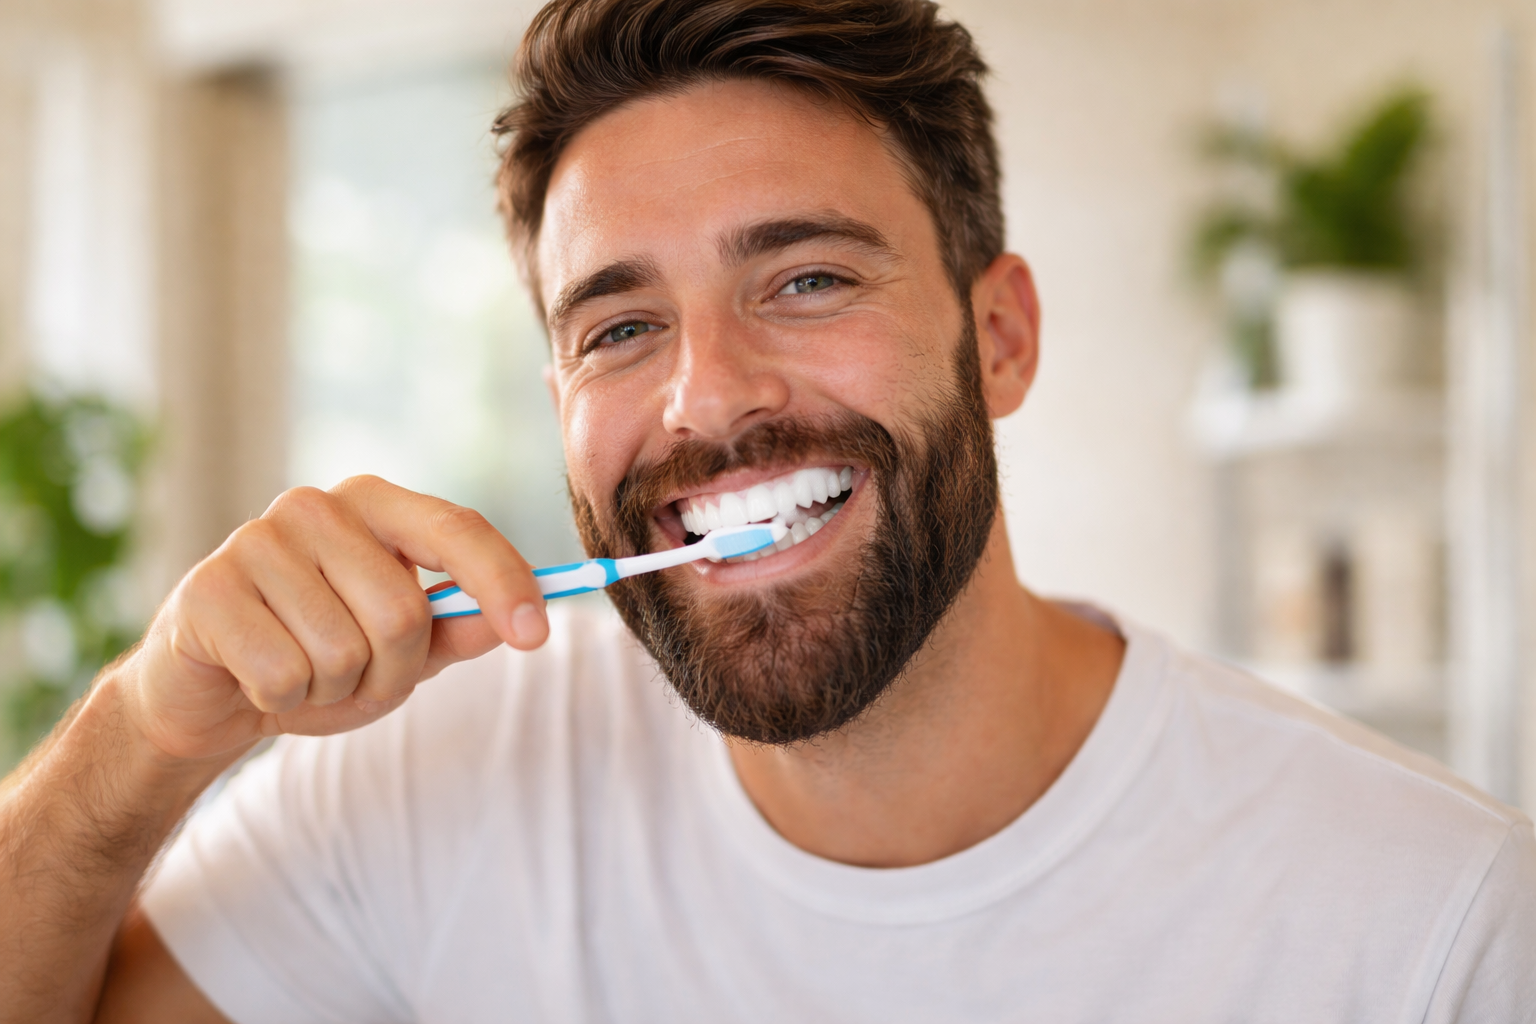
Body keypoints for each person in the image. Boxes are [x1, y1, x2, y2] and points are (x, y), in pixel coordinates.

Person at [3, 0, 1534, 1020]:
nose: (705, 401)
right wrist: (143, 734)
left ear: (999, 336)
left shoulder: (1432, 920)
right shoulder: (421, 790)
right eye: (617, 327)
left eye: (805, 279)